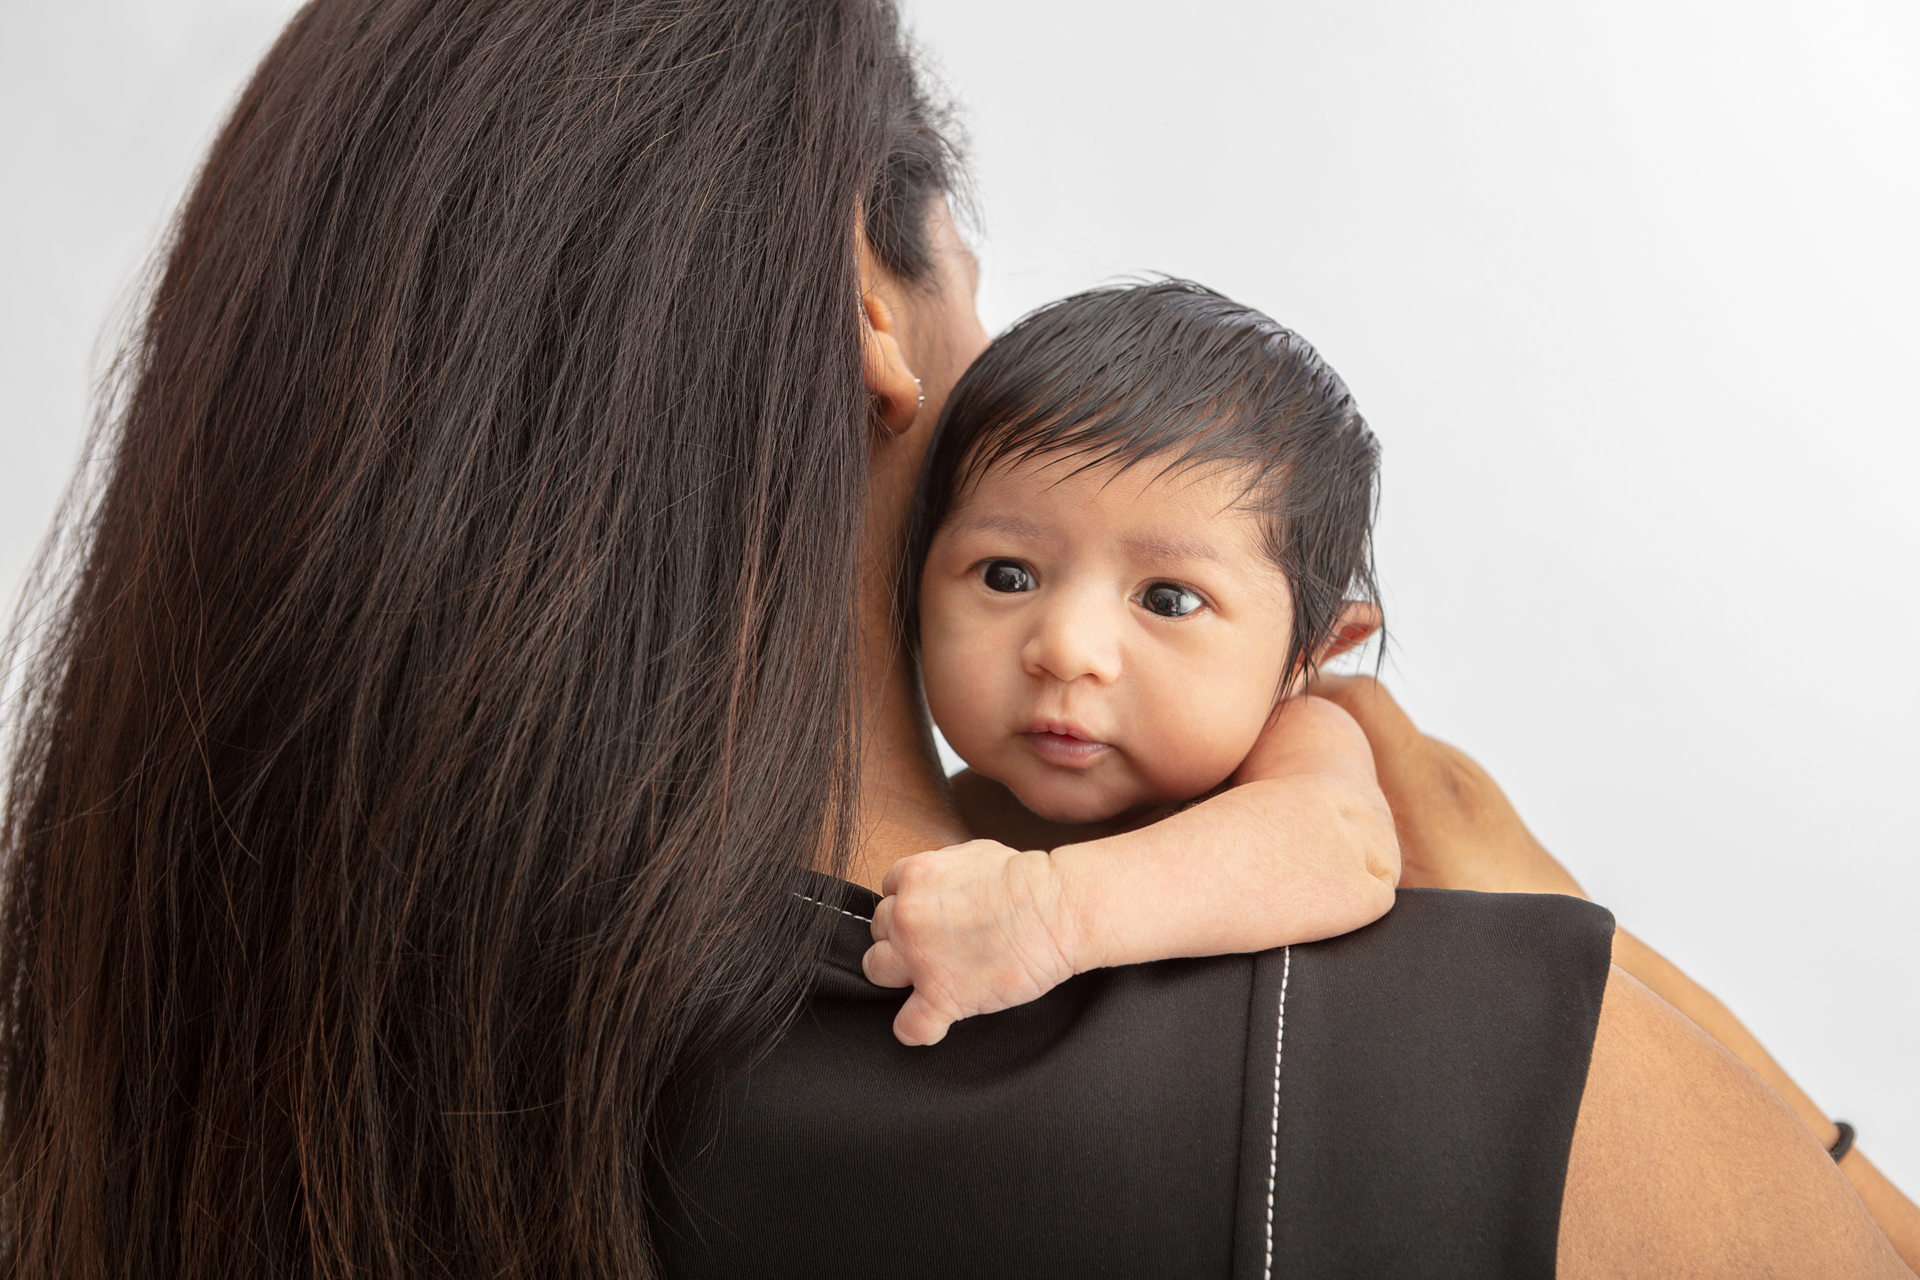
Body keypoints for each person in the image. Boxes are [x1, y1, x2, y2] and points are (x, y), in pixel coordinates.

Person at [1, 2, 1913, 1279]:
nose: (1078, 647)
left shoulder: (150, 1072)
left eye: (1167, 595)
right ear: (876, 299)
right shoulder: (1420, 1081)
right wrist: (1565, 960)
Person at [861, 280, 1403, 1046]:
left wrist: (1048, 910)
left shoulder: (1292, 750)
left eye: (1170, 600)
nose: (1067, 650)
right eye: (1007, 575)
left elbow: (1348, 850)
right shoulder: (927, 818)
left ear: (1304, 660)